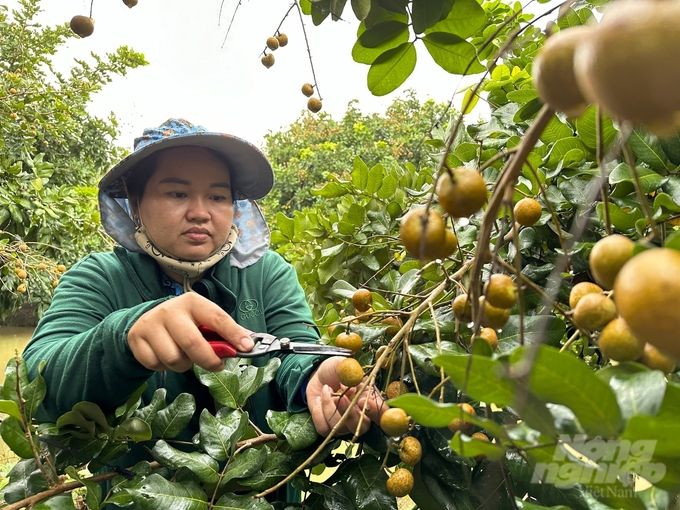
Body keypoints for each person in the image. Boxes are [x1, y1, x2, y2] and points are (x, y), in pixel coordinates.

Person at [23, 119, 383, 483]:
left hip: (259, 501)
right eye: (177, 194)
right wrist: (124, 337)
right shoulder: (99, 276)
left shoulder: (266, 272)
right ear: (136, 201)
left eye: (217, 196)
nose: (200, 211)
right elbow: (37, 383)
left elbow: (293, 350)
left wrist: (312, 377)